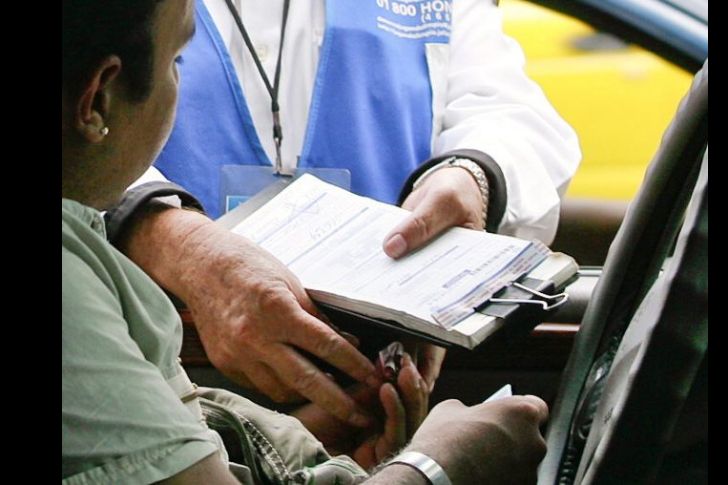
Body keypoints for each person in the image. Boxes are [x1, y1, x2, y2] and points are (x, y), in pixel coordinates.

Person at [62, 1, 550, 483]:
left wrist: (473, 174)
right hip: (163, 355)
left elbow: (507, 108)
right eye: (177, 62)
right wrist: (435, 469)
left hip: (333, 392)